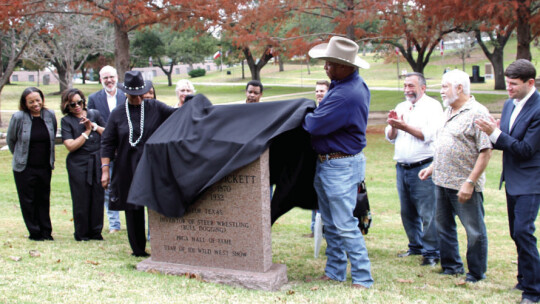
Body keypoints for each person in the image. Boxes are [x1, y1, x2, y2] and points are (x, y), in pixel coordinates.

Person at [303, 36, 373, 289]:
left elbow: (313, 125)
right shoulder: (350, 84)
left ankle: (363, 278)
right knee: (331, 222)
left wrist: (309, 113)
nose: (326, 68)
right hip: (336, 163)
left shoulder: (345, 94)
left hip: (339, 166)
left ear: (345, 66)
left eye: (330, 64)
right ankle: (335, 271)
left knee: (344, 224)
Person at [475, 59, 540, 304]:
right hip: (512, 178)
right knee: (516, 232)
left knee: (524, 231)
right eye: (508, 83)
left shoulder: (538, 109)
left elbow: (524, 149)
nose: (508, 88)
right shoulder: (509, 105)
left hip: (532, 180)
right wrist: (490, 133)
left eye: (514, 84)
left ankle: (533, 291)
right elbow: (506, 139)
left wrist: (496, 134)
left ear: (530, 82)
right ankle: (524, 277)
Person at [419, 69, 492, 283]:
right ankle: (451, 266)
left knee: (474, 230)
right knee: (444, 226)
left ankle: (476, 273)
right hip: (441, 180)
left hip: (464, 184)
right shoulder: (448, 111)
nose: (441, 91)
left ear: (459, 88)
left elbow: (485, 151)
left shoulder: (477, 112)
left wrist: (470, 182)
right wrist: (432, 167)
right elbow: (446, 145)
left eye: (445, 86)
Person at [101, 70, 176, 257]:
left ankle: (162, 246)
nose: (136, 98)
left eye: (139, 94)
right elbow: (107, 142)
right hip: (127, 167)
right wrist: (105, 170)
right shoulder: (118, 113)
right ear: (125, 92)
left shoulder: (155, 107)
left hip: (152, 167)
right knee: (132, 208)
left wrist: (192, 105)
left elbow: (177, 116)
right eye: (132, 95)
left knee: (157, 205)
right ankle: (138, 249)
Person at [385, 72, 442, 266]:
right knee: (407, 211)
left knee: (428, 211)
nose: (407, 90)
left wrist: (404, 126)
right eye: (405, 86)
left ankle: (432, 252)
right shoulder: (402, 106)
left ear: (423, 88)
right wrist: (393, 126)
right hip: (402, 167)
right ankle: (415, 246)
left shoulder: (433, 107)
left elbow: (428, 135)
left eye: (411, 86)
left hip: (423, 166)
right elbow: (391, 136)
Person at [7, 87, 57, 241]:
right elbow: (11, 141)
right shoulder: (18, 117)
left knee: (43, 199)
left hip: (44, 166)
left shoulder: (50, 115)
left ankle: (46, 232)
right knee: (28, 200)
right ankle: (35, 232)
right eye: (31, 102)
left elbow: (53, 135)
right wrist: (20, 156)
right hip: (24, 167)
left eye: (38, 100)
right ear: (25, 103)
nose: (36, 104)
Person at [61, 88, 106, 241]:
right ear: (67, 106)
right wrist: (86, 132)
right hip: (78, 163)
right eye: (73, 104)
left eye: (79, 102)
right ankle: (82, 233)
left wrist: (93, 126)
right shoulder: (67, 121)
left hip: (97, 160)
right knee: (81, 197)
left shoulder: (95, 114)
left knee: (98, 196)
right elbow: (70, 146)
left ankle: (96, 231)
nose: (77, 106)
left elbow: (107, 134)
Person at [88, 65, 124, 234]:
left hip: (125, 147)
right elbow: (91, 123)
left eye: (111, 77)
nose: (109, 80)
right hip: (105, 148)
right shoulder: (94, 98)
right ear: (100, 80)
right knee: (107, 186)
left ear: (117, 77)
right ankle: (114, 224)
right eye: (105, 78)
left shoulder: (126, 94)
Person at [304, 80, 330, 238]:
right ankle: (315, 229)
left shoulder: (330, 111)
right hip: (313, 160)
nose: (319, 93)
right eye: (317, 91)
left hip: (328, 160)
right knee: (315, 194)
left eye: (322, 90)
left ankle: (325, 229)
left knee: (326, 196)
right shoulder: (312, 110)